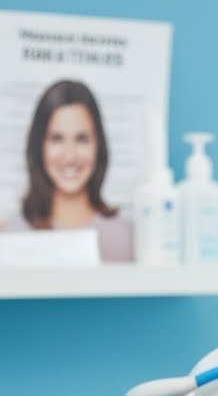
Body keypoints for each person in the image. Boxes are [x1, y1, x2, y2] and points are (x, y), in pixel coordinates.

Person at [1, 79, 133, 261]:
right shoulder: (11, 234)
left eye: (81, 139)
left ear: (98, 146)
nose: (70, 156)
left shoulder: (123, 236)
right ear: (39, 146)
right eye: (56, 139)